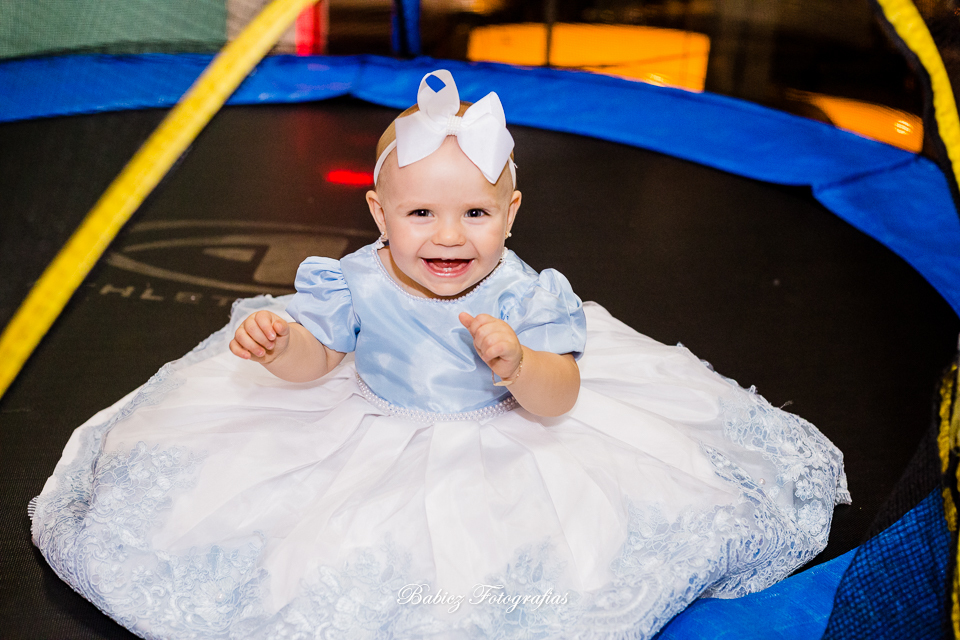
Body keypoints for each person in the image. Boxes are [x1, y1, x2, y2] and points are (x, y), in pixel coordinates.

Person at [30, 69, 850, 640]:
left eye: (475, 214)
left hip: (502, 433)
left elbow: (560, 399)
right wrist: (283, 348)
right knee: (313, 557)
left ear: (512, 211)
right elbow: (322, 362)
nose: (449, 237)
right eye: (421, 212)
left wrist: (519, 364)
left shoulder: (530, 296)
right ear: (378, 211)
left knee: (520, 573)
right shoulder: (351, 280)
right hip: (372, 423)